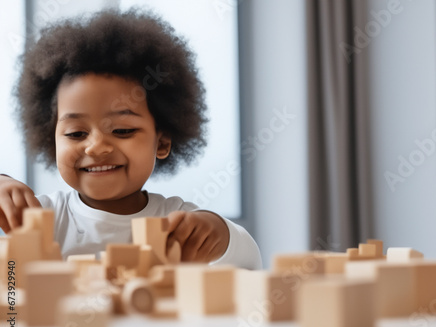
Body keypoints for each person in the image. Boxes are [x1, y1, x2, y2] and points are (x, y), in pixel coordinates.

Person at [0, 8, 262, 270]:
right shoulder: (39, 217)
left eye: (123, 131)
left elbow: (249, 261)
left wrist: (220, 234)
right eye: (76, 133)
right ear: (52, 141)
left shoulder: (176, 222)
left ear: (161, 142)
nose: (97, 147)